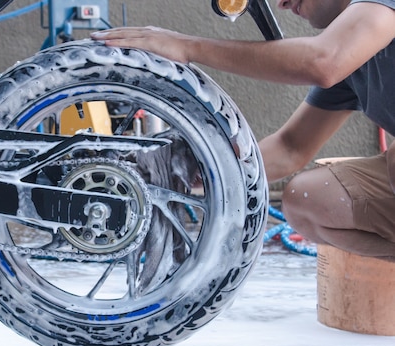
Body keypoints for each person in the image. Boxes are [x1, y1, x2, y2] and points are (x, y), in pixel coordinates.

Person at [91, 0, 395, 261]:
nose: (283, 4)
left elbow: (323, 61)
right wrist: (196, 167)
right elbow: (290, 148)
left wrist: (187, 47)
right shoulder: (355, 61)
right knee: (308, 200)